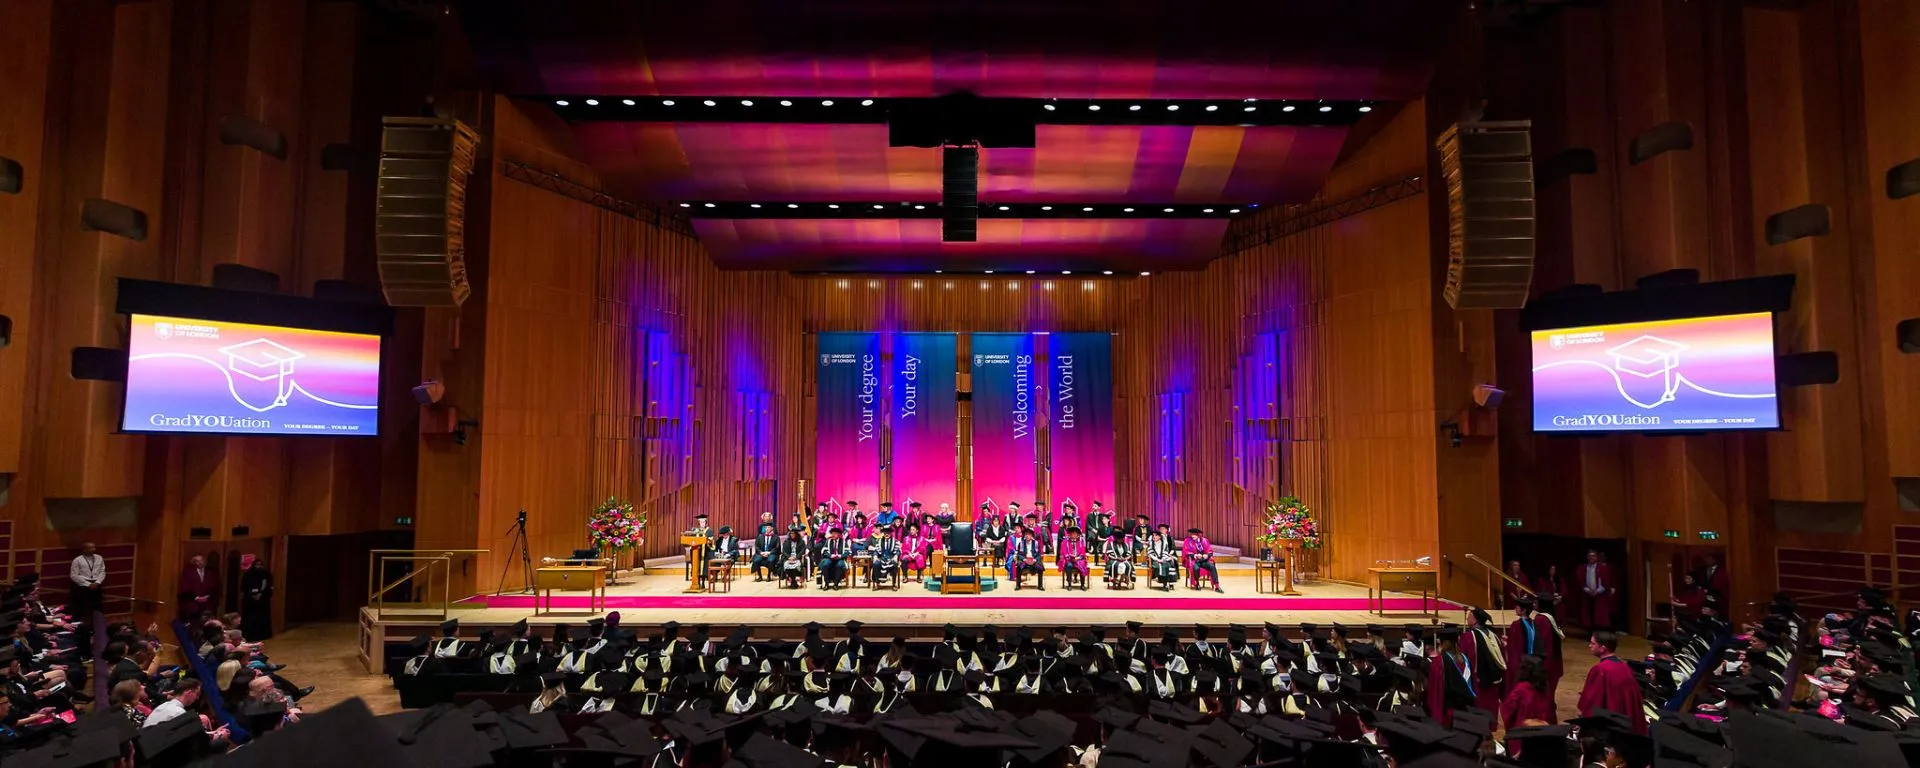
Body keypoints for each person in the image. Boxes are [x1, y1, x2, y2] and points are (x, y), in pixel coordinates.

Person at [1575, 630, 1646, 733]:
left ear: (1603, 648)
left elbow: (1592, 701)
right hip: (1625, 721)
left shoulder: (1600, 670)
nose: (1589, 646)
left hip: (1609, 725)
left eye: (1593, 643)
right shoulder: (1624, 667)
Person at [1506, 596, 1563, 696]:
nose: (1515, 608)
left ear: (1523, 610)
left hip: (1522, 663)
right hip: (1536, 661)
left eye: (1517, 607)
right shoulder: (1534, 622)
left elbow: (1515, 646)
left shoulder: (1520, 624)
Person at [1427, 627, 1476, 727]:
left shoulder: (1438, 662)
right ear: (1457, 640)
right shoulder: (1465, 659)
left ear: (1441, 642)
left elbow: (1435, 689)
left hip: (1447, 710)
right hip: (1464, 708)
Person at [1501, 654, 1556, 738]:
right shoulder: (1545, 688)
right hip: (1544, 734)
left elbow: (1507, 711)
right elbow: (1551, 713)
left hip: (1523, 734)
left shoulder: (1521, 689)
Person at [67, 542, 105, 625]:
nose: (93, 550)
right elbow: (74, 575)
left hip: (96, 585)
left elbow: (102, 571)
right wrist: (88, 584)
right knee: (82, 609)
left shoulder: (99, 558)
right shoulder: (77, 560)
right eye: (90, 548)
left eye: (94, 547)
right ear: (84, 550)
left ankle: (95, 627)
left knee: (97, 608)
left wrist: (97, 582)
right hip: (82, 587)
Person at [1579, 550, 1617, 631]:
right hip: (1587, 594)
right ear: (1587, 557)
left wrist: (1597, 591)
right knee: (1588, 615)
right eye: (1590, 556)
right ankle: (1590, 634)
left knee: (1599, 615)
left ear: (1596, 557)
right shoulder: (1583, 568)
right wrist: (1588, 590)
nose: (1591, 558)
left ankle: (1598, 633)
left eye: (1593, 556)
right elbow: (1581, 582)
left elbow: (1606, 582)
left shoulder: (1602, 568)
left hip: (1599, 594)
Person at [240, 556, 274, 640]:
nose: (259, 566)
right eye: (257, 564)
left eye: (260, 564)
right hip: (250, 602)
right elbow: (243, 588)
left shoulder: (266, 575)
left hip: (262, 602)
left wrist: (261, 594)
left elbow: (269, 587)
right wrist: (252, 595)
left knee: (262, 620)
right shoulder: (248, 575)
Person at [177, 554, 218, 621]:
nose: (200, 563)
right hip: (192, 605)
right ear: (194, 562)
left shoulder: (210, 572)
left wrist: (207, 596)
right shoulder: (189, 572)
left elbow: (214, 587)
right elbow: (185, 589)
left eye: (201, 560)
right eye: (197, 561)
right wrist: (196, 598)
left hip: (207, 604)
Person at [1182, 527, 1222, 592]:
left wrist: (1207, 555)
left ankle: (1217, 586)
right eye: (1192, 534)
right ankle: (1197, 583)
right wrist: (1195, 555)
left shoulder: (1204, 540)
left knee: (1212, 567)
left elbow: (1209, 550)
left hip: (1204, 560)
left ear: (1198, 535)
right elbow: (1186, 551)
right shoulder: (1188, 541)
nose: (1192, 536)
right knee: (1196, 568)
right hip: (1194, 561)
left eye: (1194, 535)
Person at [1009, 524, 1045, 591]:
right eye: (1026, 534)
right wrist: (1024, 559)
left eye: (1029, 534)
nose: (1027, 536)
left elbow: (1039, 554)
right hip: (1024, 561)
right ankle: (1018, 585)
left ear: (1032, 535)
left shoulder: (1036, 543)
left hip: (1033, 561)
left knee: (1040, 567)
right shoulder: (1021, 543)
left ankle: (1040, 586)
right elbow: (1019, 554)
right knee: (1019, 566)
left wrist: (1035, 559)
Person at [1147, 523, 1179, 590]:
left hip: (1168, 555)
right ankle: (1164, 582)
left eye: (1163, 529)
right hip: (1155, 559)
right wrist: (1158, 559)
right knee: (1162, 565)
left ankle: (1170, 582)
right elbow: (1150, 553)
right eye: (1160, 529)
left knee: (1170, 563)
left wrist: (1167, 556)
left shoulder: (1168, 539)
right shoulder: (1151, 543)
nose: (1154, 537)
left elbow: (1171, 548)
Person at [1058, 526, 1090, 590]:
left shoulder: (1081, 541)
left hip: (1079, 559)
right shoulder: (1065, 541)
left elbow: (1083, 552)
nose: (1074, 535)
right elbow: (1063, 551)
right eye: (1072, 533)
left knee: (1082, 564)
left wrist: (1078, 557)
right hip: (1069, 559)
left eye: (1075, 533)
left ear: (1078, 534)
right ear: (1069, 534)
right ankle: (1069, 584)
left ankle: (1082, 585)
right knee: (1069, 565)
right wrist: (1069, 556)